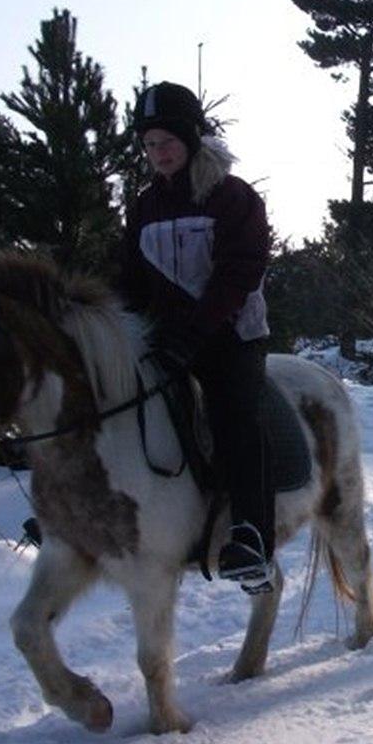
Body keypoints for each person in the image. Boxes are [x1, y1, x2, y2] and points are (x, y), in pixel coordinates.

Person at [120, 80, 275, 594]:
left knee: (235, 415)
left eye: (165, 142)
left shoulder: (232, 197)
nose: (156, 154)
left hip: (232, 337)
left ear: (191, 139)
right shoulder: (145, 207)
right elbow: (129, 279)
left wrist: (197, 332)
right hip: (168, 338)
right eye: (147, 145)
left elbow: (239, 271)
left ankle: (251, 534)